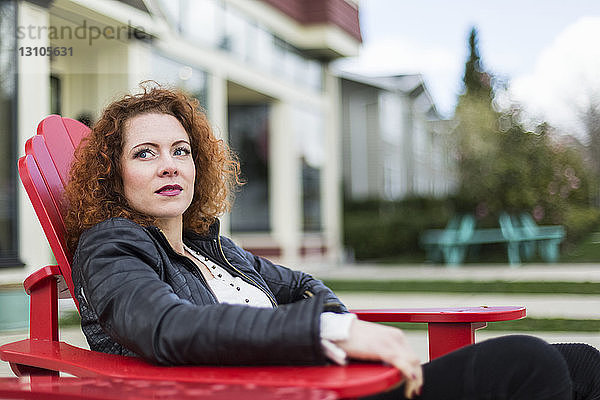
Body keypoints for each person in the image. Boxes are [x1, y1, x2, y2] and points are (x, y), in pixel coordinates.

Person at [64, 83, 599, 400]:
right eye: (146, 153)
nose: (169, 166)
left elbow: (300, 283)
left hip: (330, 385)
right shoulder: (111, 247)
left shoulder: (210, 248)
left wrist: (334, 333)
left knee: (583, 363)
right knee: (533, 365)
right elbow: (167, 327)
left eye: (181, 150)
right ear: (113, 174)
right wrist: (333, 333)